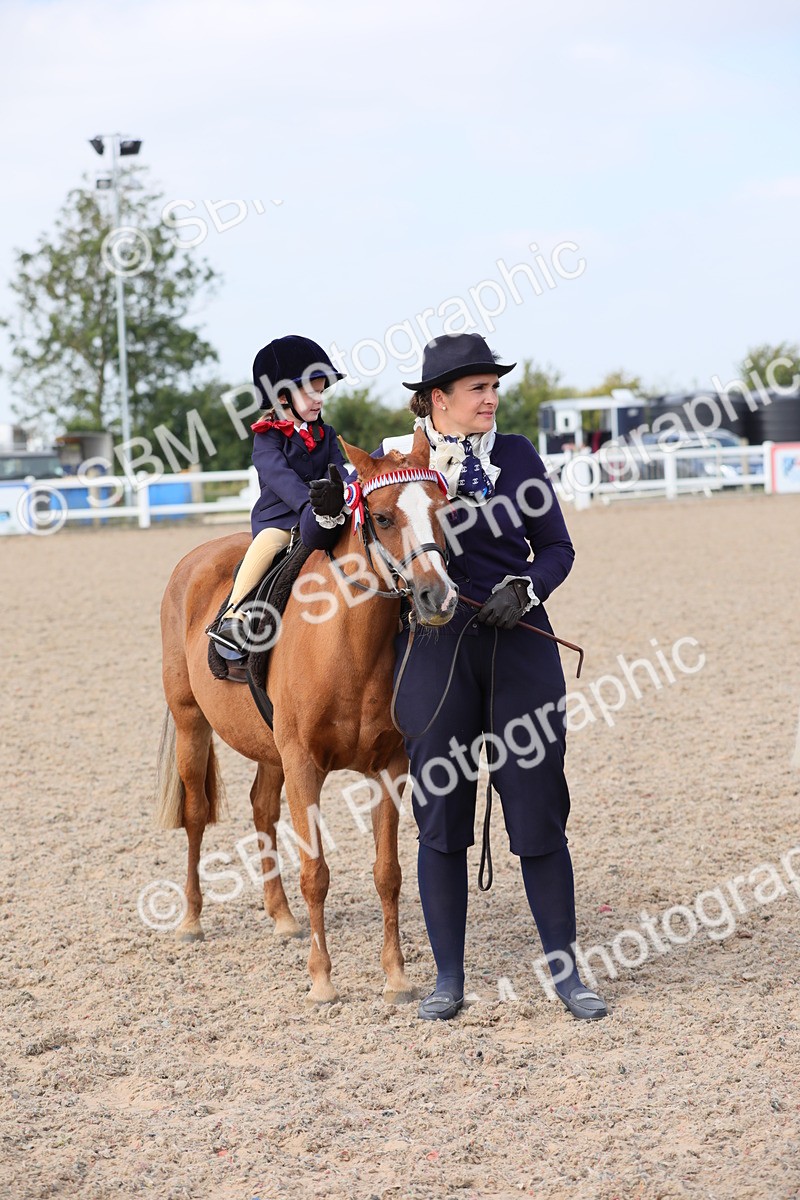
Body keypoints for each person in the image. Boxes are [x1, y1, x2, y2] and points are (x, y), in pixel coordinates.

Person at [302, 332, 607, 1022]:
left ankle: (567, 974)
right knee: (440, 818)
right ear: (438, 399)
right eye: (478, 389)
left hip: (519, 645)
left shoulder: (519, 457)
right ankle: (447, 978)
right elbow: (338, 538)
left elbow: (558, 545)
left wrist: (527, 586)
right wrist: (323, 505)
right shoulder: (390, 459)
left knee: (538, 811)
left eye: (495, 387)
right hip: (435, 655)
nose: (492, 399)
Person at [208, 334, 345, 660]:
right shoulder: (266, 438)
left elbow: (342, 469)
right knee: (268, 544)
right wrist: (308, 504)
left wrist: (350, 493)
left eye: (321, 391)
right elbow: (280, 478)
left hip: (326, 511)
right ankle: (234, 613)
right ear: (281, 396)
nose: (319, 399)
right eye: (310, 391)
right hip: (283, 519)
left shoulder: (324, 434)